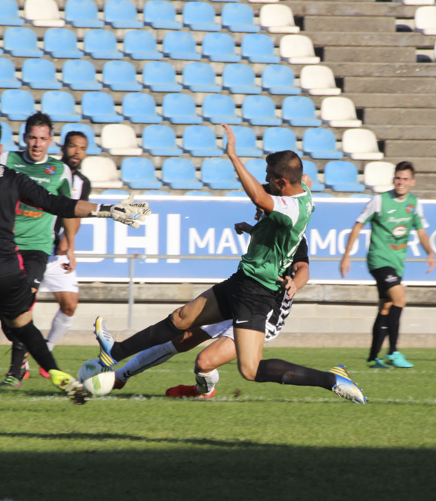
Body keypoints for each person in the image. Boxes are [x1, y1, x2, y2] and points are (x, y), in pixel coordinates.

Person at [92, 124, 367, 404]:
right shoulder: (300, 191)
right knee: (181, 319)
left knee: (251, 369)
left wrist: (233, 156)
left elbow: (261, 198)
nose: (266, 182)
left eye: (270, 178)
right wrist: (253, 226)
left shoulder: (291, 210)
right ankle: (115, 351)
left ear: (282, 182)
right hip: (241, 282)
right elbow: (294, 181)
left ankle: (332, 379)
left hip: (259, 295)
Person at [0, 116, 150, 404]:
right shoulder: (11, 174)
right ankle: (53, 370)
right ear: (2, 149)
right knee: (23, 323)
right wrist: (108, 210)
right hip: (6, 266)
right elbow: (58, 204)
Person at [114, 229, 309, 398]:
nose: (257, 213)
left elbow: (303, 268)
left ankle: (203, 391)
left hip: (264, 312)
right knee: (182, 338)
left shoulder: (292, 233)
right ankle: (119, 376)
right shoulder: (264, 225)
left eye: (260, 209)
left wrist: (295, 284)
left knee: (204, 362)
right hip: (240, 298)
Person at [0, 113, 76, 387]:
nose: (37, 144)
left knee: (23, 304)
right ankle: (25, 353)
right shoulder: (7, 161)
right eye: (32, 137)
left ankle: (15, 371)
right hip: (4, 245)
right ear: (24, 137)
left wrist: (71, 246)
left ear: (51, 140)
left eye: (43, 138)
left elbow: (69, 209)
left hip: (37, 249)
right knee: (10, 320)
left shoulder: (60, 171)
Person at [339, 162, 435, 369]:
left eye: (405, 179)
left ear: (412, 182)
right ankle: (393, 352)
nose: (401, 182)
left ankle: (373, 357)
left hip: (397, 263)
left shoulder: (414, 203)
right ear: (394, 179)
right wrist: (346, 255)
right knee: (400, 298)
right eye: (398, 178)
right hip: (379, 260)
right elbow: (358, 225)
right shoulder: (379, 201)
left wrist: (430, 252)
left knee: (386, 307)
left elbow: (421, 231)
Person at [36, 131, 92, 378]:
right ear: (63, 147)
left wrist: (69, 244)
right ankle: (17, 368)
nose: (77, 152)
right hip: (34, 247)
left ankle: (45, 350)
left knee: (70, 305)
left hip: (59, 254)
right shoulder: (50, 172)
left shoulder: (83, 183)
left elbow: (76, 214)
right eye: (73, 146)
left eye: (82, 148)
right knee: (21, 307)